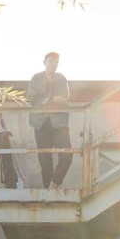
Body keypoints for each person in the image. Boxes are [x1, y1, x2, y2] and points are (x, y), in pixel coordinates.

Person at [27, 52, 72, 190]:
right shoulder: (36, 78)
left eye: (56, 62)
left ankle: (54, 185)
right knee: (45, 161)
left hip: (59, 123)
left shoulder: (61, 79)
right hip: (40, 124)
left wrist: (46, 100)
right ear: (44, 62)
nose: (54, 64)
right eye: (51, 61)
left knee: (67, 155)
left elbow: (64, 100)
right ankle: (48, 191)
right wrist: (52, 100)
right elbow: (32, 99)